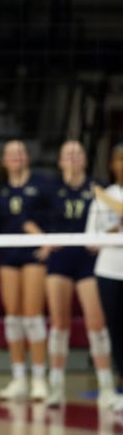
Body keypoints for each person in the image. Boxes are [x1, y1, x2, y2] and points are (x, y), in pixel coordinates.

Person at [40, 141, 114, 407]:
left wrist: (103, 239)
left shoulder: (98, 187)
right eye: (67, 154)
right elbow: (27, 217)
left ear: (85, 159)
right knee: (59, 323)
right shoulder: (50, 189)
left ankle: (106, 387)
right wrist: (43, 240)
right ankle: (56, 386)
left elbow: (112, 220)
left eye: (78, 153)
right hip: (59, 258)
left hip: (87, 259)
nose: (72, 158)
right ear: (60, 161)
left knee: (96, 323)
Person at [0, 140, 51, 400]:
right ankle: (19, 378)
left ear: (27, 157)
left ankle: (39, 379)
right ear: (3, 160)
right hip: (8, 255)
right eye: (11, 153)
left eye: (20, 152)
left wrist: (46, 241)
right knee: (13, 317)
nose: (16, 157)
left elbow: (52, 217)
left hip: (33, 255)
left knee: (33, 316)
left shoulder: (41, 185)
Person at [88, 143, 123, 414]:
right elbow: (90, 241)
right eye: (120, 159)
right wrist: (116, 228)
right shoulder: (103, 197)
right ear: (112, 164)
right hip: (109, 271)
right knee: (115, 330)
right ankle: (119, 387)